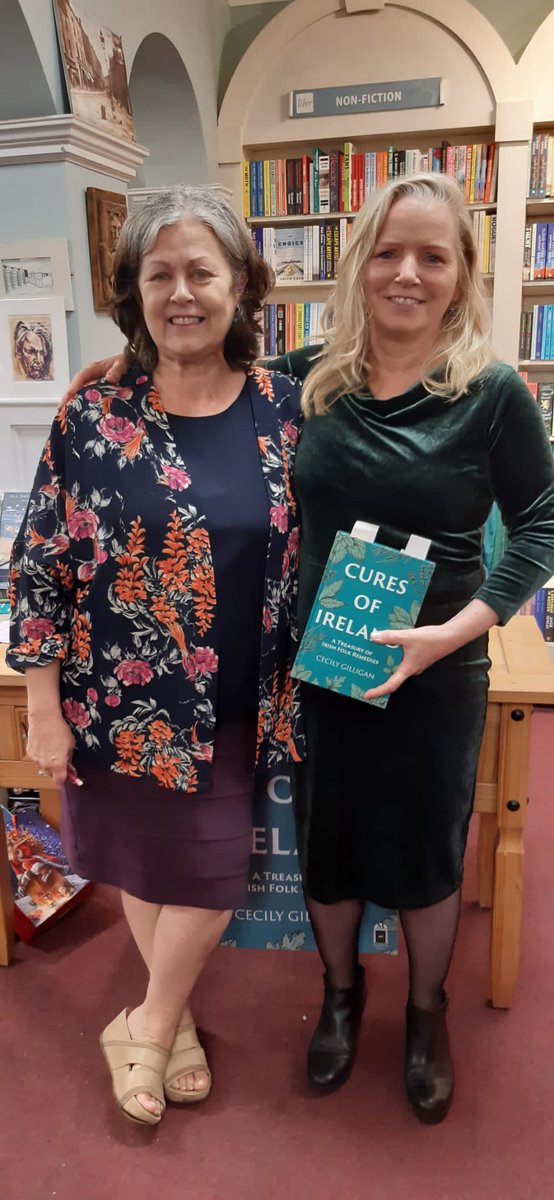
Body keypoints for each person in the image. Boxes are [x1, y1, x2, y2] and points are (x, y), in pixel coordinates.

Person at [63, 171, 554, 1125]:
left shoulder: (494, 394)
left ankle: (424, 1013)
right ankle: (340, 997)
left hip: (439, 664)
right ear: (358, 260)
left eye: (433, 256)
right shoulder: (313, 377)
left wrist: (463, 627)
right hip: (324, 660)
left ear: (462, 275)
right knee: (326, 841)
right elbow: (205, 370)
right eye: (387, 251)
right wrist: (116, 375)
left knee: (424, 850)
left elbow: (539, 523)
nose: (406, 273)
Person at [8, 184, 304, 1127]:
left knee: (213, 875)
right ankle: (164, 1032)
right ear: (133, 292)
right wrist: (43, 707)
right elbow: (40, 569)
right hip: (114, 703)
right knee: (141, 865)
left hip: (241, 703)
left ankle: (140, 1020)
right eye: (158, 274)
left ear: (242, 286)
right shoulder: (93, 418)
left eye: (202, 272)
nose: (182, 292)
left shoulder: (289, 410)